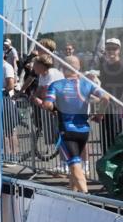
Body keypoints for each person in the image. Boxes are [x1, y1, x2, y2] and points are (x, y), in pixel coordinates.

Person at [44, 55, 108, 193]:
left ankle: (86, 198)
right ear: (78, 68)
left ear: (62, 68)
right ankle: (73, 195)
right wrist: (100, 114)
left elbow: (47, 104)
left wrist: (54, 109)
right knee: (74, 165)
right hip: (83, 131)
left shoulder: (56, 85)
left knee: (75, 166)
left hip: (66, 131)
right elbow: (106, 97)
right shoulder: (87, 84)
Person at [97, 37, 123, 149]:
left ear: (119, 50)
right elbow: (103, 87)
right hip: (106, 107)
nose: (111, 51)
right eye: (108, 48)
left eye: (114, 48)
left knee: (117, 139)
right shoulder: (104, 67)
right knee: (106, 139)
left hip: (118, 108)